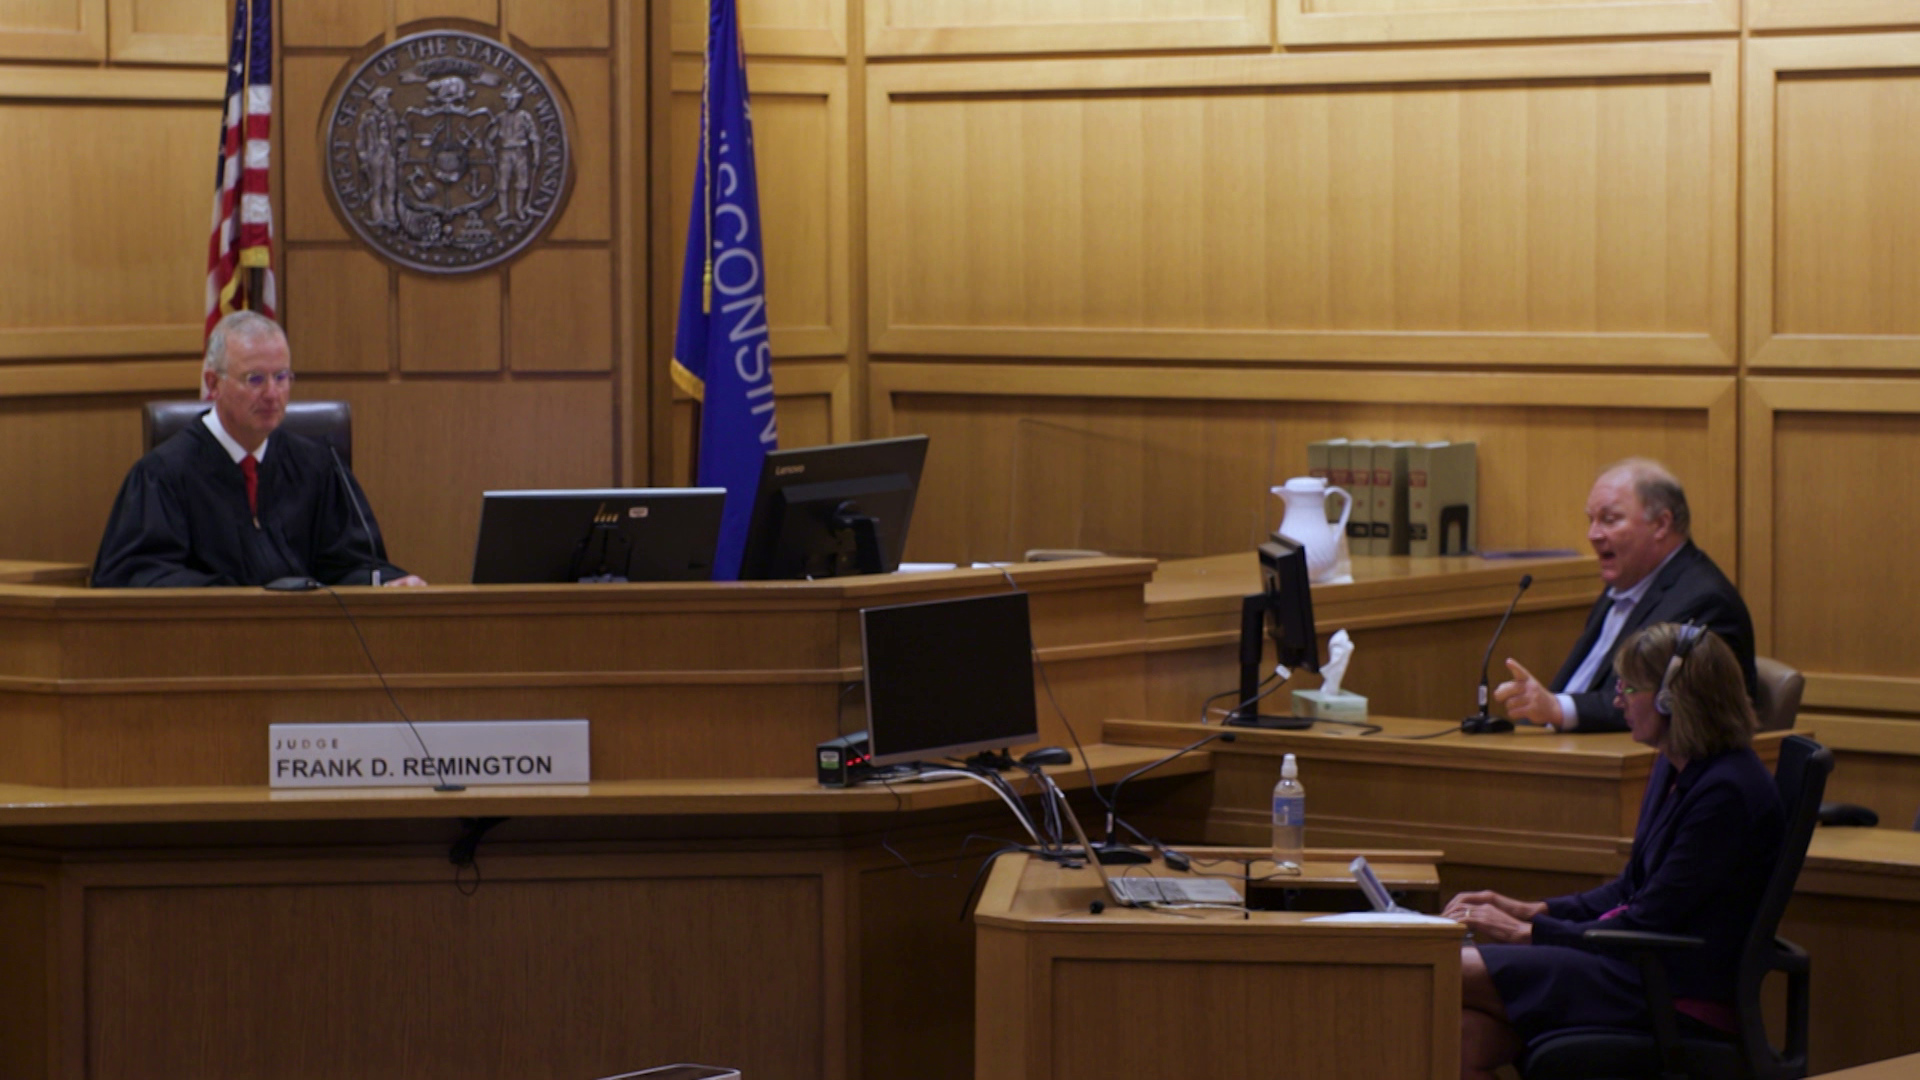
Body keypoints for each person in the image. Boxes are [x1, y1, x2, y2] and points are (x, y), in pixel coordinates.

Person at [1447, 623, 1784, 1080]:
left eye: (1628, 687)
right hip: (1632, 966)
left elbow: (1647, 920)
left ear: (1672, 698)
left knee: (1442, 969)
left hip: (1668, 987)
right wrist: (1531, 909)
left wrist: (1525, 933)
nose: (1618, 699)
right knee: (1461, 1041)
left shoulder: (1727, 792)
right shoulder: (1673, 764)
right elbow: (1632, 888)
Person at [91, 312, 426, 588]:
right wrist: (235, 598)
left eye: (282, 377)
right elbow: (135, 577)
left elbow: (348, 564)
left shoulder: (317, 466)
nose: (272, 393)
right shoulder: (162, 475)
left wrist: (386, 582)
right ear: (213, 384)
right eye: (254, 379)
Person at [1494, 459, 1756, 733]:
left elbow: (1659, 705)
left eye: (1610, 520)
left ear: (1661, 524)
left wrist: (1557, 708)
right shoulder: (1623, 585)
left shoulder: (1704, 601)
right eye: (1590, 520)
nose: (1592, 534)